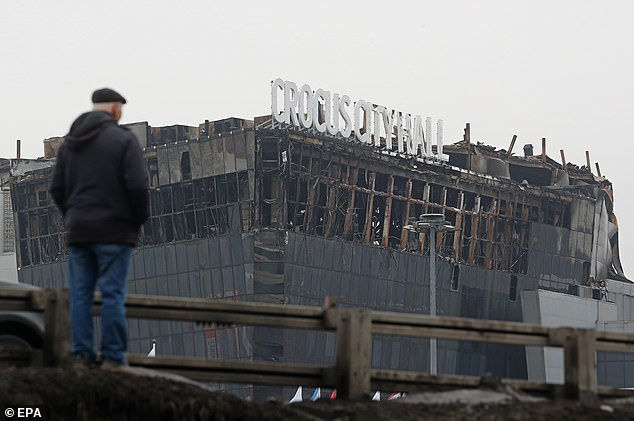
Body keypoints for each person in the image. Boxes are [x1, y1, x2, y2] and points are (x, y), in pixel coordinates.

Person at [49, 88, 149, 367]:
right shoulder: (123, 140)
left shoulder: (71, 143)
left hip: (79, 232)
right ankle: (113, 357)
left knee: (80, 294)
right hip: (115, 232)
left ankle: (81, 353)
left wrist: (73, 215)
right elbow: (138, 186)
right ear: (114, 109)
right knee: (112, 295)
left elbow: (56, 188)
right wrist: (138, 218)